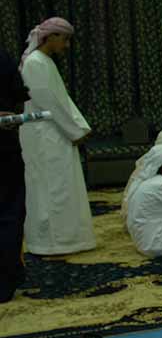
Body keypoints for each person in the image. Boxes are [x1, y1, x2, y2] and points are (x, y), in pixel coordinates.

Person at [18, 17, 95, 255]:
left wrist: (81, 127)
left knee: (64, 186)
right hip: (45, 137)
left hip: (57, 133)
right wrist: (74, 131)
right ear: (50, 37)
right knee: (52, 189)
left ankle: (70, 239)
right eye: (65, 39)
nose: (67, 45)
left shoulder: (45, 62)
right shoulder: (34, 63)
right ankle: (52, 243)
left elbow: (63, 100)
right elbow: (48, 104)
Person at [0, 50, 31, 301]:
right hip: (6, 147)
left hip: (6, 149)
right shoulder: (4, 58)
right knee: (9, 214)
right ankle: (7, 279)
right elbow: (20, 97)